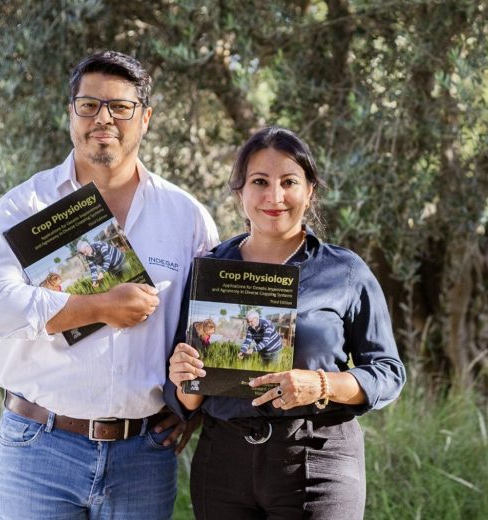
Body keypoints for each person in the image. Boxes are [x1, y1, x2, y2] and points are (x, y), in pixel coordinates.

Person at [0, 50, 219, 519]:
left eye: (120, 107)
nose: (103, 119)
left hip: (143, 455)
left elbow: (208, 326)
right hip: (38, 450)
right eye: (89, 105)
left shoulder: (187, 217)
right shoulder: (25, 205)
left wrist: (193, 409)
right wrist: (99, 306)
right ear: (71, 114)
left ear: (144, 118)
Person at [165, 126, 406, 519]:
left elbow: (388, 373)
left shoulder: (345, 271)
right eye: (259, 182)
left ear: (310, 190)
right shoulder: (209, 270)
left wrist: (322, 384)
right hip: (222, 466)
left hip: (317, 459)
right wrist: (183, 380)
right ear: (240, 191)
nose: (274, 197)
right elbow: (182, 393)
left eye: (289, 182)